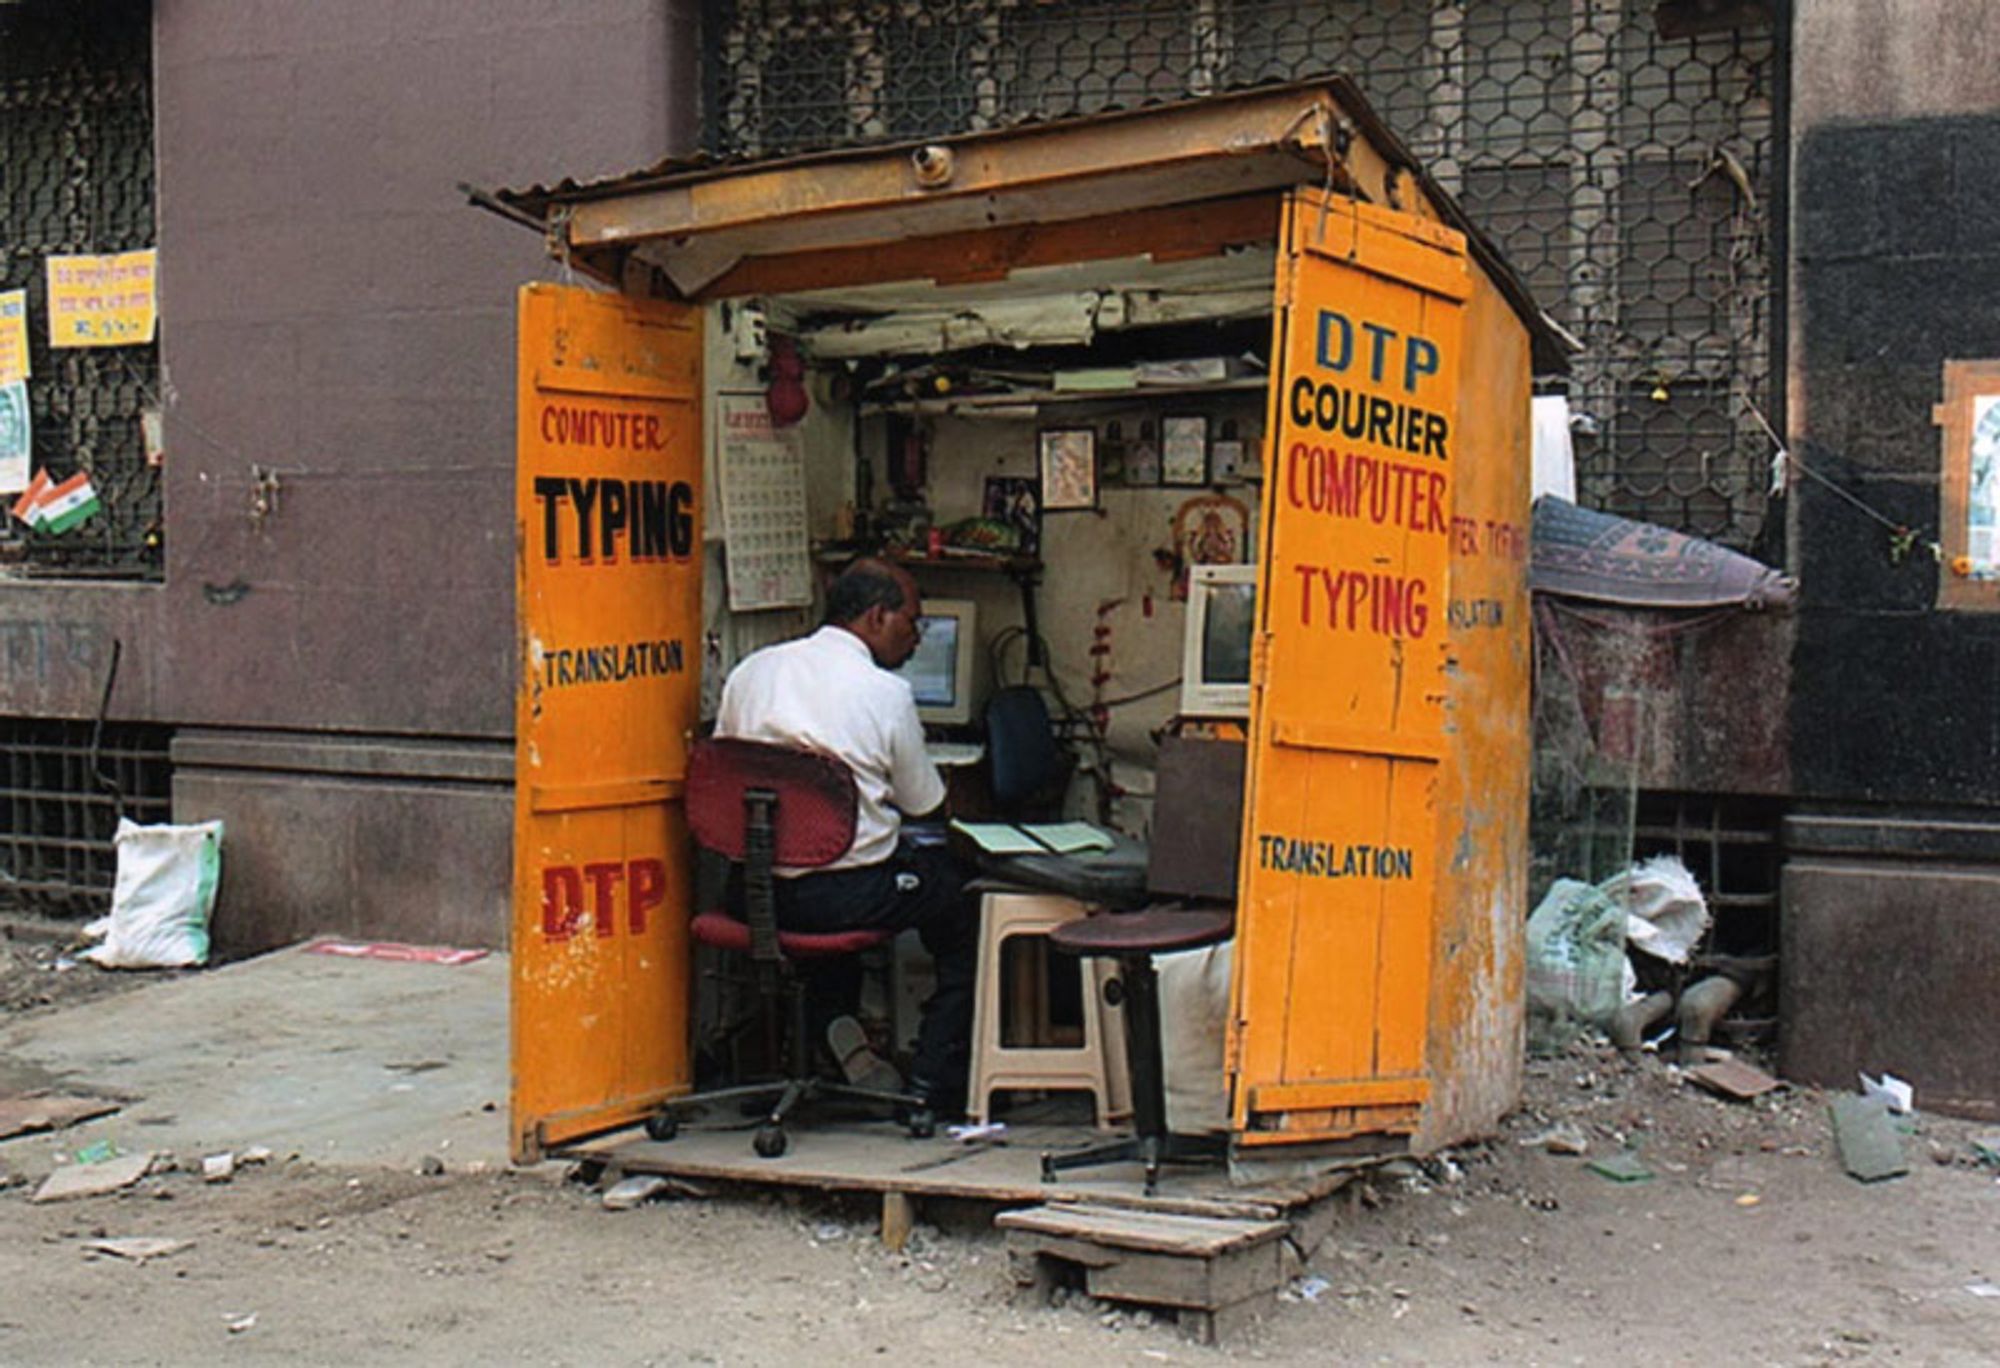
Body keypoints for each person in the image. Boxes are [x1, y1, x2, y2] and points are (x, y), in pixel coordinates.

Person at [715, 558, 974, 1117]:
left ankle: (840, 1043)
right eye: (913, 621)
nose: (915, 635)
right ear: (877, 617)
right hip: (840, 899)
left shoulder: (751, 672)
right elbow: (925, 805)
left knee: (851, 877)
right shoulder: (884, 693)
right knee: (959, 908)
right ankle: (932, 1084)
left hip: (751, 892)